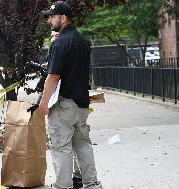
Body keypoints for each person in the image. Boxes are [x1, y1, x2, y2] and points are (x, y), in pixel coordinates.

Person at [40, 1, 102, 189]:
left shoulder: (60, 43)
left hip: (63, 105)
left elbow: (53, 77)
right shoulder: (82, 42)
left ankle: (63, 186)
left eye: (52, 16)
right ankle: (92, 184)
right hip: (81, 104)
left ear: (63, 18)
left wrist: (43, 104)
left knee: (61, 148)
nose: (49, 20)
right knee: (83, 145)